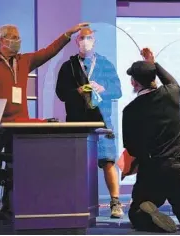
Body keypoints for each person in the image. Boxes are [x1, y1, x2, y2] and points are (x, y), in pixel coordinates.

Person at [0, 23, 88, 212]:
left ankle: (8, 205)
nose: (17, 41)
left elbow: (49, 51)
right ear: (1, 41)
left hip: (20, 125)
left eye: (18, 37)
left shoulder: (24, 61)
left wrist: (68, 34)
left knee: (17, 168)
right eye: (13, 37)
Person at [124, 48, 180, 233]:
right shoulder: (171, 93)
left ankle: (146, 209)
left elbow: (131, 147)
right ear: (154, 78)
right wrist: (154, 63)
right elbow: (171, 81)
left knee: (136, 211)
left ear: (134, 83)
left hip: (153, 168)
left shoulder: (130, 110)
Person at [55, 27, 123, 218]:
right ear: (77, 42)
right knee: (76, 164)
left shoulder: (105, 64)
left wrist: (104, 88)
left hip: (102, 120)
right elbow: (60, 93)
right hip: (77, 121)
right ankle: (74, 202)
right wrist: (76, 91)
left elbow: (118, 90)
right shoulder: (68, 66)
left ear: (95, 41)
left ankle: (115, 202)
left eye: (89, 38)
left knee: (108, 161)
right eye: (82, 38)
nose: (85, 41)